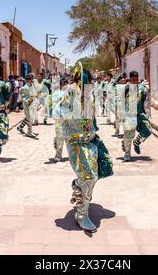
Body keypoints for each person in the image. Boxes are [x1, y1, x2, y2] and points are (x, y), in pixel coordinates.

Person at [58, 62, 113, 233]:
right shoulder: (70, 95)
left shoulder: (90, 98)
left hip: (90, 140)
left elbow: (92, 121)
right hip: (76, 143)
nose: (88, 86)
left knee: (94, 175)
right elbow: (60, 115)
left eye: (89, 83)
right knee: (89, 177)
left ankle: (78, 186)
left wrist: (94, 133)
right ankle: (82, 215)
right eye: (85, 82)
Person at [118, 71, 152, 162]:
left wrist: (147, 113)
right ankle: (127, 153)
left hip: (140, 114)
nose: (134, 81)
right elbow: (120, 101)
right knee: (129, 135)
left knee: (148, 131)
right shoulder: (125, 89)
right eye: (133, 80)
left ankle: (136, 142)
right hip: (129, 115)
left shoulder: (142, 88)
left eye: (136, 80)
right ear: (130, 79)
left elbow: (146, 101)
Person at [49, 76, 69, 162]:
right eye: (65, 84)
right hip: (60, 118)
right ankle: (58, 154)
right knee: (61, 136)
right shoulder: (57, 94)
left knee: (65, 136)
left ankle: (70, 154)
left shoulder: (67, 93)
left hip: (66, 118)